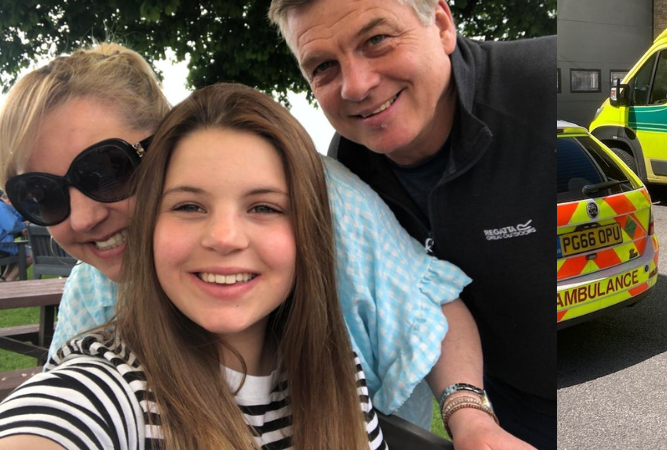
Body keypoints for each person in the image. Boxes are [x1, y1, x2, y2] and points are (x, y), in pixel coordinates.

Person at [0, 43, 506, 443]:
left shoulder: (325, 206)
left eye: (107, 170)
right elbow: (68, 406)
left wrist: (471, 419)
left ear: (164, 145)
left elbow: (430, 299)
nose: (85, 217)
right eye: (41, 195)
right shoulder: (92, 301)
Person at [0, 82, 386, 449]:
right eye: (188, 206)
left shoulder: (335, 370)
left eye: (264, 207)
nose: (224, 237)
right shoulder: (106, 388)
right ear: (151, 222)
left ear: (309, 230)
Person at [268, 0, 554, 447]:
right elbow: (422, 295)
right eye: (323, 66)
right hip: (509, 412)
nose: (357, 86)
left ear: (441, 24)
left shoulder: (541, 84)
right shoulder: (348, 168)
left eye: (377, 40)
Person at [0, 190, 29, 282]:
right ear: (9, 200)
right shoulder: (2, 208)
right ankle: (11, 279)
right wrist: (25, 225)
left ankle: (4, 279)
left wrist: (19, 233)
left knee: (19, 251)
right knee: (32, 254)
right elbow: (12, 226)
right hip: (3, 247)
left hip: (4, 245)